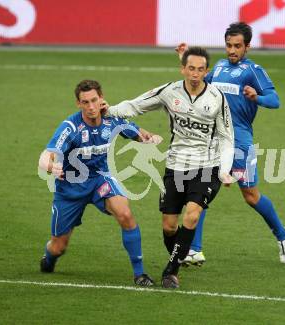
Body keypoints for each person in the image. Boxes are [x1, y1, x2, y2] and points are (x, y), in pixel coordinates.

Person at [104, 46, 234, 288]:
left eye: (200, 69)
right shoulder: (169, 91)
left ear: (207, 72)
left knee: (192, 216)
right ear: (183, 69)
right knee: (169, 225)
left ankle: (171, 271)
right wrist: (109, 110)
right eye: (191, 68)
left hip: (207, 167)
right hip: (175, 166)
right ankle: (178, 256)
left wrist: (225, 169)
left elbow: (227, 136)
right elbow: (136, 105)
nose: (195, 74)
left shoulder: (217, 98)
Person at [176, 22, 285, 265]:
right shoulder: (218, 67)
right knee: (200, 192)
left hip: (240, 141)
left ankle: (282, 235)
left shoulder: (253, 70)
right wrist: (185, 60)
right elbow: (201, 82)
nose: (232, 50)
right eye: (229, 45)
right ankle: (194, 249)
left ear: (247, 47)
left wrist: (257, 97)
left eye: (237, 46)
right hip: (213, 140)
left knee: (250, 196)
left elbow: (275, 100)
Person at [38, 79, 162, 286]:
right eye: (85, 102)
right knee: (59, 246)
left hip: (99, 179)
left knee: (125, 212)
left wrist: (149, 138)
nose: (91, 107)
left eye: (94, 100)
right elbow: (46, 155)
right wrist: (50, 167)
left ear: (101, 97)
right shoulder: (71, 127)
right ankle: (49, 258)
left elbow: (138, 134)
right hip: (70, 189)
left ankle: (140, 274)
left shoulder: (111, 119)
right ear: (78, 104)